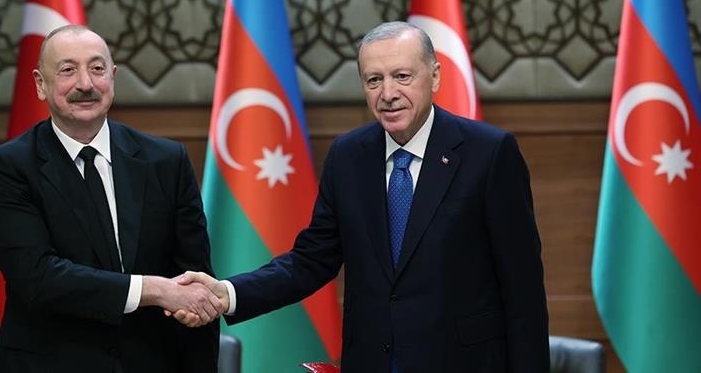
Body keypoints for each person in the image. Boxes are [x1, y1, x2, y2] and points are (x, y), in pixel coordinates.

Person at [179, 21, 550, 372]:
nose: (388, 94)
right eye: (374, 80)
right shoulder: (348, 156)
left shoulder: (488, 153)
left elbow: (523, 288)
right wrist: (228, 293)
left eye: (402, 76)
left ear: (435, 76)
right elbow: (312, 260)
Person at [0, 25, 223, 373]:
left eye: (97, 68)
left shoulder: (166, 162)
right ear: (40, 84)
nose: (85, 84)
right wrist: (153, 289)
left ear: (113, 77)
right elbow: (38, 277)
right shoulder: (5, 168)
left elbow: (194, 282)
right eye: (67, 70)